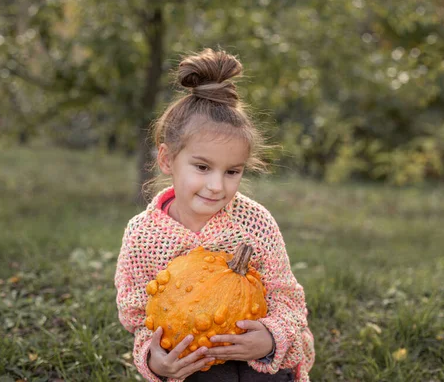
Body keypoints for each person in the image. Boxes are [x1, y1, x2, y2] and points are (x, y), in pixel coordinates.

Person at [114, 48, 315, 382]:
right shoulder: (143, 235)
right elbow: (138, 317)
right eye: (202, 167)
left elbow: (287, 299)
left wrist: (269, 338)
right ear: (167, 159)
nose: (216, 186)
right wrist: (154, 360)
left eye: (232, 171)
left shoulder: (254, 223)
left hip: (257, 357)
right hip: (193, 362)